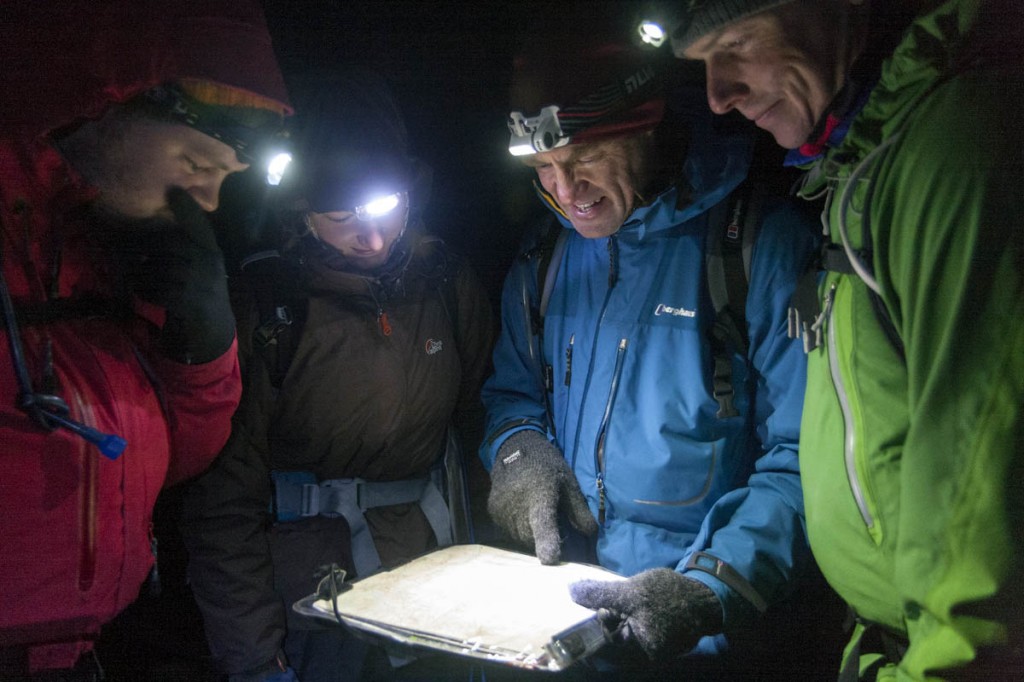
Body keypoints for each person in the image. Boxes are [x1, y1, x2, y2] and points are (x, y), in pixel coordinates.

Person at [672, 0, 1024, 679]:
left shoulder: (956, 152)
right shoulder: (867, 164)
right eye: (703, 65)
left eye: (738, 42)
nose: (718, 96)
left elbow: (987, 488)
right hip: (888, 647)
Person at [480, 5, 825, 679]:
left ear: (651, 129)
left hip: (710, 641)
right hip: (570, 625)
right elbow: (511, 395)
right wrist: (519, 454)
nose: (564, 191)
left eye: (585, 159)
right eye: (544, 169)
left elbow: (806, 457)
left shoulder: (759, 244)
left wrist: (708, 590)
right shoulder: (547, 255)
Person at [0, 1, 291, 678]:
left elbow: (173, 464)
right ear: (109, 101)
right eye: (197, 160)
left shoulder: (109, 243)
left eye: (225, 177)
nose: (211, 203)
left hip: (83, 651)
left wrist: (202, 347)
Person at [179, 70, 496, 682]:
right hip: (312, 603)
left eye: (384, 206)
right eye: (341, 214)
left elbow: (480, 429)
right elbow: (223, 500)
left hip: (433, 589)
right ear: (303, 211)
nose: (370, 235)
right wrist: (253, 659)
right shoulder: (268, 306)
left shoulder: (447, 284)